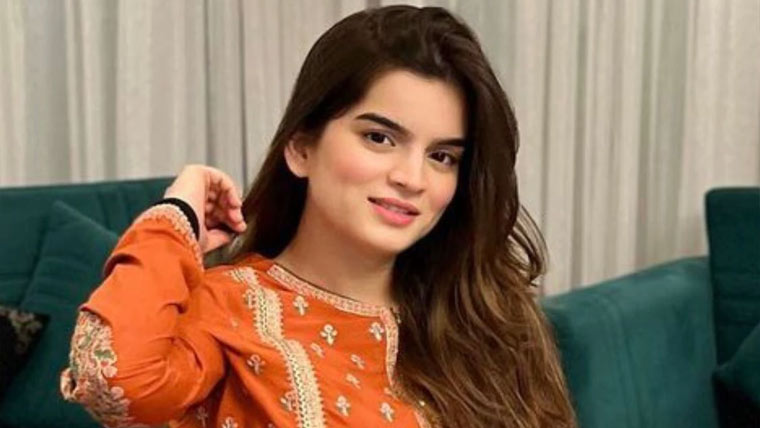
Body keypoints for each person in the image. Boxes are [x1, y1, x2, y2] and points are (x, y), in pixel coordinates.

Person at [60, 5, 577, 428]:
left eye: (442, 156)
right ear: (301, 147)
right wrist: (175, 217)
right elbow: (116, 380)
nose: (412, 178)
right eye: (379, 138)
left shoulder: (485, 322)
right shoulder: (229, 309)